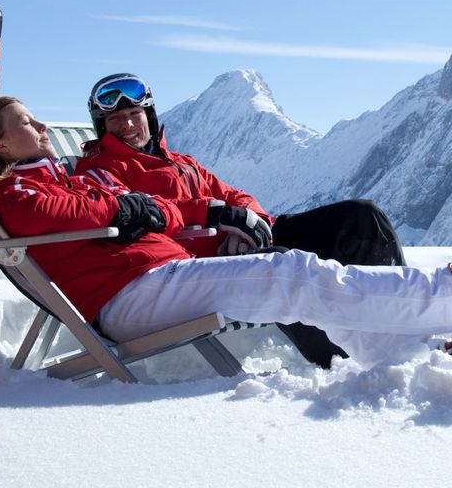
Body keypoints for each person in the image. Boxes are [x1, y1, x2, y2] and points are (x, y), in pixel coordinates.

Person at [0, 96, 452, 366]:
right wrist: (122, 209)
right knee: (291, 274)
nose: (41, 125)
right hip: (127, 294)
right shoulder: (14, 193)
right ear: (0, 145)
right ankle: (451, 297)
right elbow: (71, 214)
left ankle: (425, 348)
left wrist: (168, 212)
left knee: (296, 280)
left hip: (157, 274)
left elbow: (155, 208)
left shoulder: (67, 178)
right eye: (26, 122)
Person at [71, 72, 412, 366]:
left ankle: (403, 323)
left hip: (244, 242)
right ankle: (343, 363)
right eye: (116, 120)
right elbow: (145, 215)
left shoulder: (180, 161)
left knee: (361, 217)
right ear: (102, 127)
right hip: (202, 266)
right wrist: (219, 221)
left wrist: (249, 222)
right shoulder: (100, 172)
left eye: (135, 114)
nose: (129, 125)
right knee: (282, 265)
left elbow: (236, 196)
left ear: (149, 115)